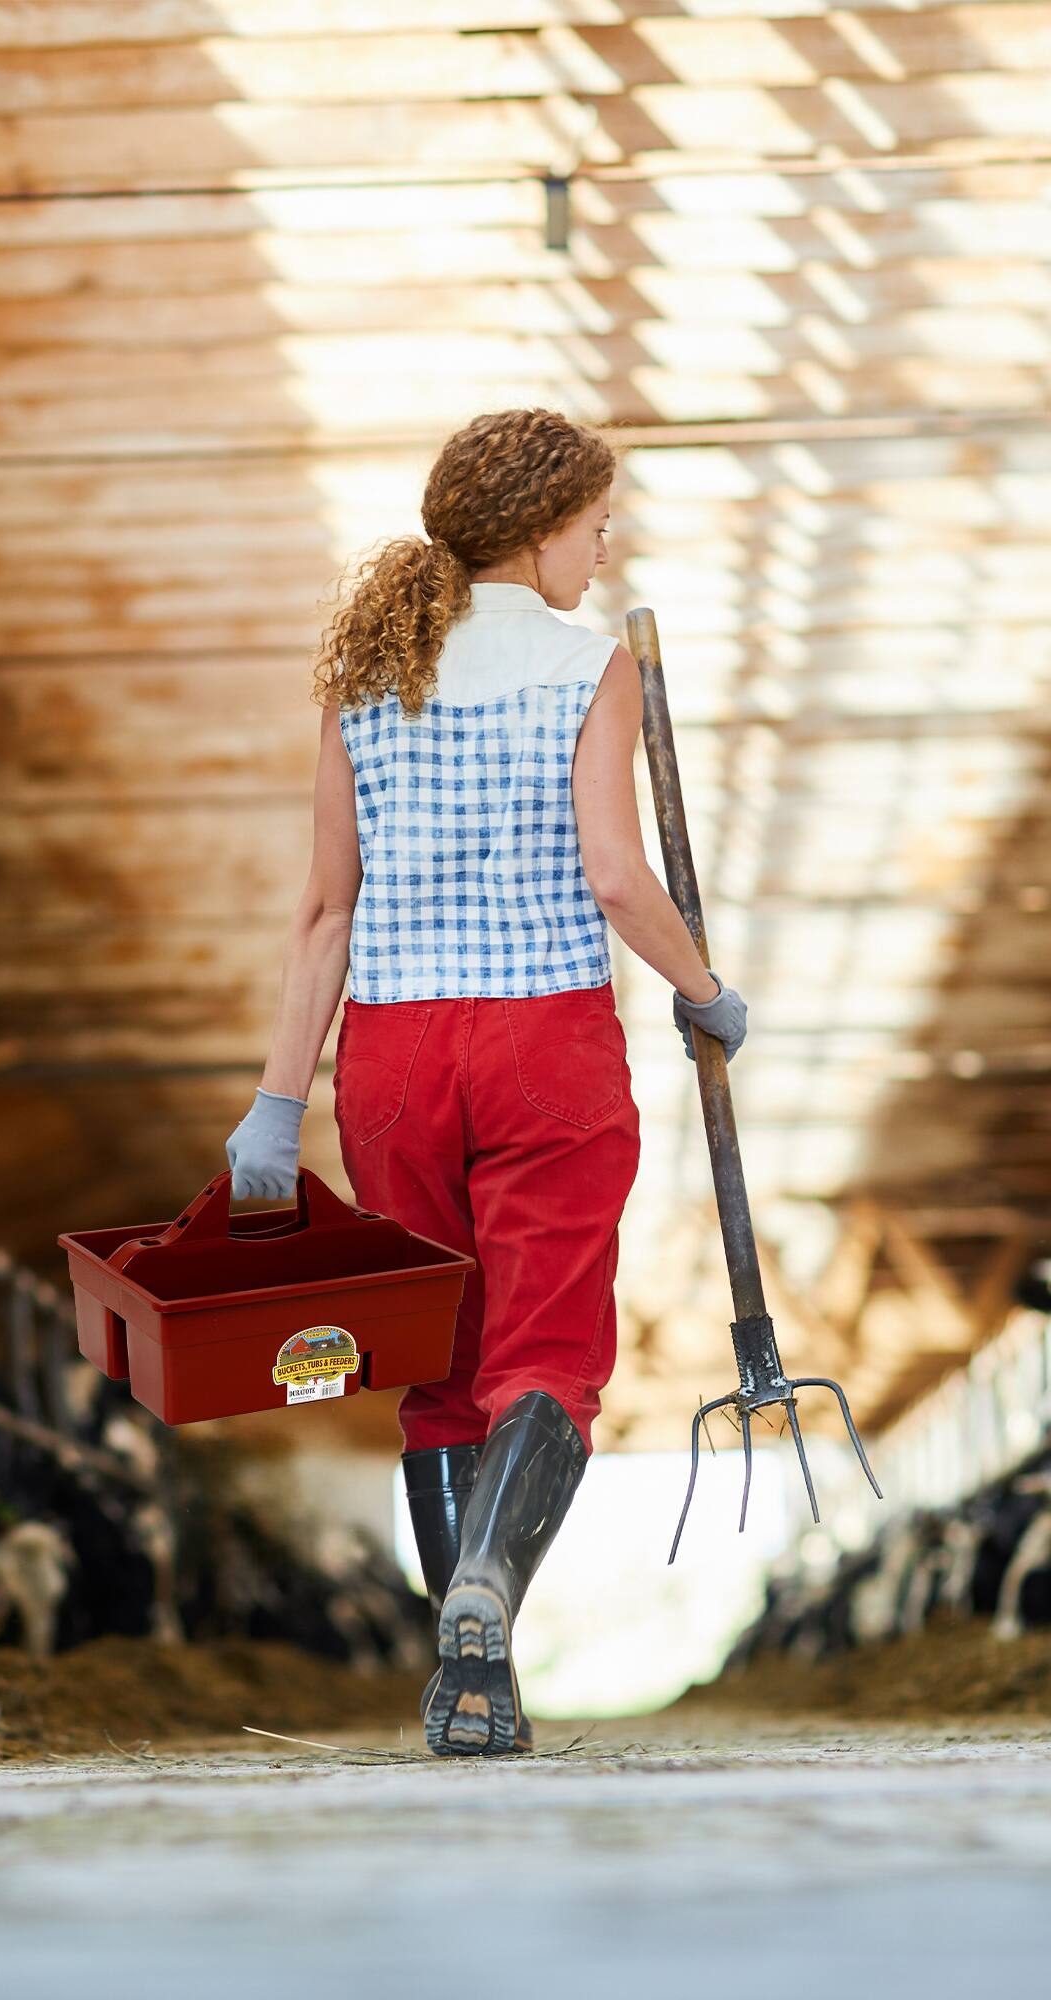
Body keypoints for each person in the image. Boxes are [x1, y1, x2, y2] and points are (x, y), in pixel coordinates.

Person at [224, 408, 746, 1757]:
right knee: (548, 1360)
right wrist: (702, 988)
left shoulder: (366, 675)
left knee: (440, 1371)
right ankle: (489, 1594)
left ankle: (474, 1683)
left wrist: (277, 1103)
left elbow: (324, 911)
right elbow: (617, 876)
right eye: (594, 525)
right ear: (539, 528)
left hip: (392, 1059)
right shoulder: (588, 666)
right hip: (543, 1044)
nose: (602, 549)